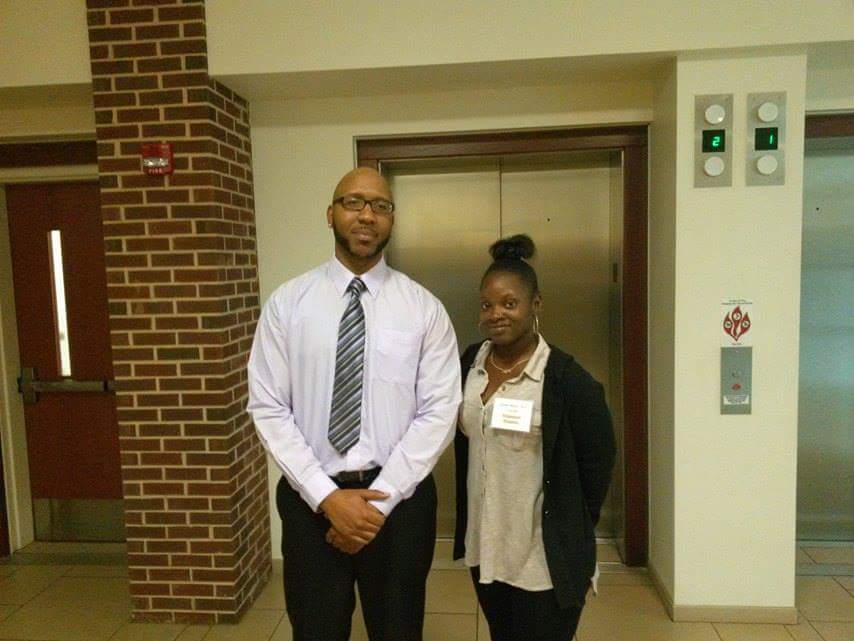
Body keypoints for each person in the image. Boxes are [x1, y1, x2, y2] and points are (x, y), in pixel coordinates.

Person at [248, 167, 461, 641]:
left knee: (398, 631)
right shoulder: (288, 304)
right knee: (317, 631)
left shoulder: (424, 309)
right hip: (310, 503)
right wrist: (327, 498)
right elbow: (268, 407)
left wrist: (375, 508)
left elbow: (439, 411)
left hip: (399, 505)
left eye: (380, 206)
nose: (367, 215)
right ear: (331, 214)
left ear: (392, 220)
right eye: (353, 202)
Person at [454, 234, 615, 641]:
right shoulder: (469, 365)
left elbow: (598, 462)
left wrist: (573, 524)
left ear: (535, 304)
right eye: (487, 305)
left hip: (542, 559)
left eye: (510, 303)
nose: (496, 314)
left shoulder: (566, 380)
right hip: (486, 548)